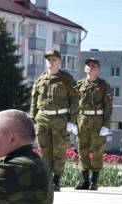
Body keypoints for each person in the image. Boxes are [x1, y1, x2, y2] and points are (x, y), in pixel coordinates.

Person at [30, 50, 79, 191]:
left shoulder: (67, 79)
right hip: (43, 118)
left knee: (59, 150)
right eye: (48, 59)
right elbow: (34, 100)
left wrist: (72, 121)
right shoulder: (40, 79)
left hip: (60, 118)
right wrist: (33, 119)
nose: (50, 62)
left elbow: (75, 100)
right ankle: (47, 181)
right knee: (44, 150)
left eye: (54, 59)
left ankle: (56, 181)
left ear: (60, 62)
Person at [74, 58, 113, 191]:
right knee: (82, 149)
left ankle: (94, 181)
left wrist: (106, 125)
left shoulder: (104, 85)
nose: (91, 68)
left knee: (97, 150)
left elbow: (108, 106)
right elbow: (73, 105)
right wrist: (73, 122)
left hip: (98, 120)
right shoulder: (79, 85)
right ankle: (85, 180)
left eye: (94, 66)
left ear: (98, 69)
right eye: (88, 65)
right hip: (82, 119)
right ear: (85, 69)